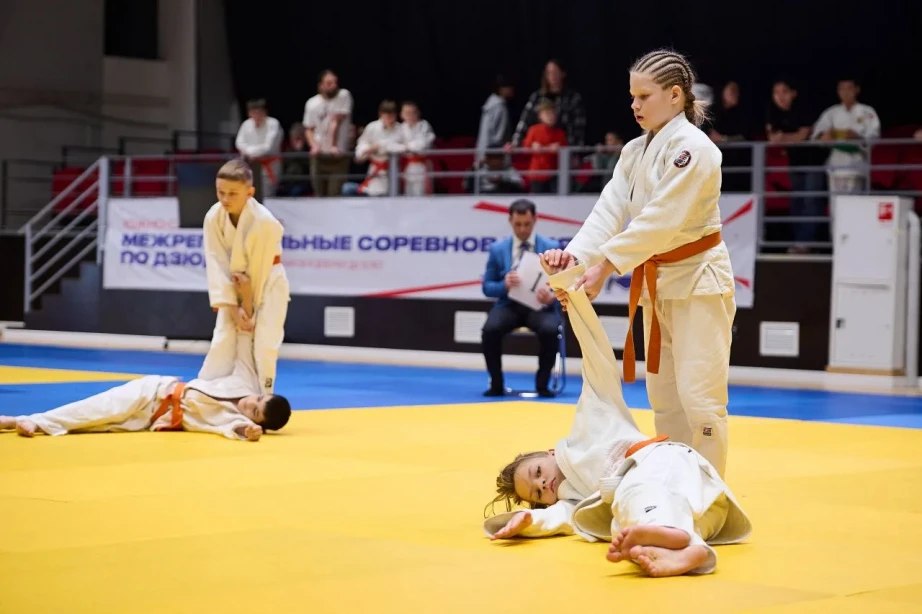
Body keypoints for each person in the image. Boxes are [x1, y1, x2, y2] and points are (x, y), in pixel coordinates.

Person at [483, 263, 751, 577]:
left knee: (629, 499)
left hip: (662, 463)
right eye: (538, 494)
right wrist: (528, 521)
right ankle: (690, 548)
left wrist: (572, 293)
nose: (543, 484)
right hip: (698, 501)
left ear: (550, 452)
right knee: (622, 519)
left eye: (537, 472)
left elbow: (595, 355)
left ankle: (671, 536)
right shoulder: (577, 499)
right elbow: (561, 518)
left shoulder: (589, 425)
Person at [541, 49, 735, 477]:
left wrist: (607, 265)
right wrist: (575, 259)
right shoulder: (633, 151)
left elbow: (661, 220)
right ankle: (673, 488)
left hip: (698, 281)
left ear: (674, 95)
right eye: (632, 96)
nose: (634, 105)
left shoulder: (695, 149)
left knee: (701, 401)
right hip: (657, 284)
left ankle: (710, 495)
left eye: (644, 96)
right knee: (665, 400)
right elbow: (608, 211)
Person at [1, 300, 292, 441]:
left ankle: (25, 422)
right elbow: (243, 352)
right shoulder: (243, 382)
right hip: (155, 390)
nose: (250, 404)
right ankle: (26, 421)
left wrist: (249, 432)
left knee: (95, 425)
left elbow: (234, 431)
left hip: (153, 417)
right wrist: (244, 325)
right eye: (258, 399)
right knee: (95, 408)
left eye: (254, 412)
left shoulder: (233, 420)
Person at [200, 159, 290, 396]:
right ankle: (209, 395)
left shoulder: (265, 222)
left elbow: (257, 271)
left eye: (233, 193)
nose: (225, 199)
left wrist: (247, 308)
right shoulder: (213, 216)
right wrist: (231, 307)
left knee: (265, 343)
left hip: (268, 281)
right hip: (234, 284)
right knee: (222, 340)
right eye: (220, 192)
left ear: (250, 193)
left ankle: (264, 399)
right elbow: (216, 262)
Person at [481, 199, 561, 397]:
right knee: (489, 330)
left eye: (527, 224)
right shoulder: (498, 249)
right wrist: (504, 285)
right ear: (510, 221)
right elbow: (487, 287)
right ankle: (496, 384)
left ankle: (543, 385)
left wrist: (552, 296)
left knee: (551, 330)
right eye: (518, 224)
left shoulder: (551, 247)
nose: (523, 229)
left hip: (540, 307)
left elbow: (564, 284)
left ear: (535, 220)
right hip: (508, 305)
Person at [766, 79, 826, 253]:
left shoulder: (804, 109)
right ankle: (799, 241)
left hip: (813, 162)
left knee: (811, 201)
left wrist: (785, 138)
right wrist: (787, 138)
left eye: (784, 92)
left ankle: (807, 243)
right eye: (776, 93)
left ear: (793, 93)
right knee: (797, 202)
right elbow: (772, 138)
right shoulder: (773, 111)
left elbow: (804, 135)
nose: (780, 96)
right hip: (795, 163)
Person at [811, 78, 881, 194]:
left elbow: (874, 135)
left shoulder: (867, 111)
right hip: (836, 166)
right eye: (841, 89)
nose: (845, 92)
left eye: (849, 88)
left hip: (857, 165)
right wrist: (824, 136)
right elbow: (817, 134)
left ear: (857, 90)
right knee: (837, 202)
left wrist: (858, 137)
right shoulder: (831, 112)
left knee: (855, 201)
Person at [510, 59, 586, 149]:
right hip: (538, 151)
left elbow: (577, 132)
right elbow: (523, 123)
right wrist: (516, 144)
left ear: (563, 74)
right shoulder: (537, 97)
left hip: (563, 151)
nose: (552, 76)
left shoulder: (573, 98)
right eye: (549, 73)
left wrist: (564, 147)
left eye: (555, 72)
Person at [303, 69, 354, 197]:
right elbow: (309, 129)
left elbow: (336, 122)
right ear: (321, 85)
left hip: (337, 156)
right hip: (319, 156)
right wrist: (314, 145)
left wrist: (333, 145)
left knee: (334, 195)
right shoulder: (311, 103)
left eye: (335, 82)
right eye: (329, 83)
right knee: (319, 194)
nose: (334, 86)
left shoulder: (343, 96)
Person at [354, 100, 403, 196]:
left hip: (393, 168)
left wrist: (381, 146)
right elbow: (362, 145)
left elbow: (403, 147)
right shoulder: (372, 127)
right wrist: (369, 149)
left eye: (392, 116)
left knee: (394, 195)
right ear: (380, 114)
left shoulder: (400, 128)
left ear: (396, 115)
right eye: (386, 116)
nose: (389, 119)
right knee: (374, 195)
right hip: (375, 168)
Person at [235, 99, 283, 196]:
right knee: (248, 194)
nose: (256, 115)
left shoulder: (273, 123)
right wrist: (250, 154)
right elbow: (239, 143)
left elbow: (268, 147)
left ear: (264, 112)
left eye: (259, 112)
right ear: (249, 113)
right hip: (249, 164)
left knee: (267, 195)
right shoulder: (246, 124)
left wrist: (250, 152)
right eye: (253, 112)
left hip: (269, 165)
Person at [522, 99, 568, 193]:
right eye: (547, 113)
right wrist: (532, 146)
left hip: (554, 174)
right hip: (537, 174)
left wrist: (560, 149)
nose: (551, 116)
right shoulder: (533, 130)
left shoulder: (560, 133)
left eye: (553, 113)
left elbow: (566, 151)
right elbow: (525, 147)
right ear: (540, 116)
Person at [398, 101, 436, 196]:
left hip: (422, 165)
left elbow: (422, 144)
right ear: (401, 114)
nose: (410, 115)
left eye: (413, 112)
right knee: (408, 193)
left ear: (418, 113)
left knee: (422, 193)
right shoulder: (401, 127)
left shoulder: (424, 125)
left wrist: (407, 146)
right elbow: (396, 144)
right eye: (407, 113)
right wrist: (405, 147)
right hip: (407, 165)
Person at [475, 75, 515, 165]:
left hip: (484, 153)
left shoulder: (490, 104)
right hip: (494, 157)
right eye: (509, 87)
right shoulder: (499, 108)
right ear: (500, 89)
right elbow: (498, 137)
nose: (512, 90)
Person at [276, 122, 313, 197]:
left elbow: (308, 166)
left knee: (295, 192)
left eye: (299, 138)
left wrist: (300, 151)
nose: (296, 141)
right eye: (294, 138)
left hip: (303, 181)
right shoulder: (287, 149)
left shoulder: (309, 150)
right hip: (288, 180)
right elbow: (285, 165)